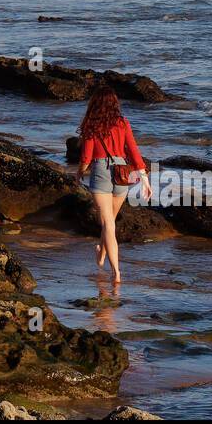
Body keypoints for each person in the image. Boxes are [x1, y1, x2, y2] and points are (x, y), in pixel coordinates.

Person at [76, 83, 151, 283]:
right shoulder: (123, 123)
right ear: (114, 104)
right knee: (110, 223)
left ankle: (116, 273)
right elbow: (133, 150)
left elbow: (86, 157)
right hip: (122, 173)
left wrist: (80, 173)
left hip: (101, 171)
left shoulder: (92, 125)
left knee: (108, 223)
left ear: (95, 103)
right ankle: (101, 252)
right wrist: (144, 178)